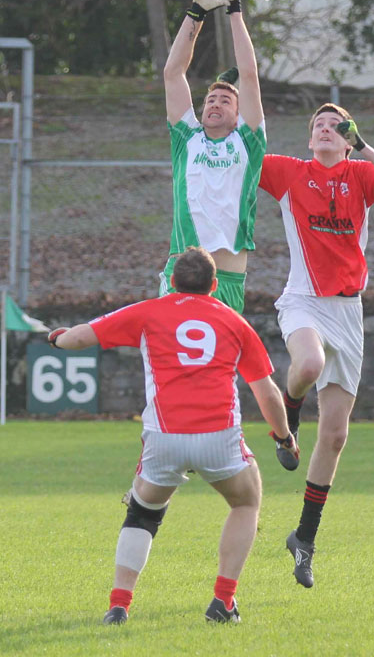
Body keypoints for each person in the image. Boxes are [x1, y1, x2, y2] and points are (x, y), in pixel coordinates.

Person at [48, 246, 298, 624]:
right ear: (214, 285)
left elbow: (81, 338)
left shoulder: (149, 311)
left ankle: (119, 605)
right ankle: (223, 602)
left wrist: (59, 339)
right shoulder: (233, 322)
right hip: (219, 436)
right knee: (246, 503)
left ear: (171, 283)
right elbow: (267, 392)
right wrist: (284, 438)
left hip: (164, 437)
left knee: (143, 512)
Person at [259, 103, 374, 588]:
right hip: (304, 300)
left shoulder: (361, 174)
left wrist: (363, 144)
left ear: (346, 140)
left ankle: (304, 538)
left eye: (335, 127)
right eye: (317, 126)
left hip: (349, 312)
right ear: (308, 140)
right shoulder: (288, 172)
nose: (325, 130)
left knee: (337, 438)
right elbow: (241, 153)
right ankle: (287, 420)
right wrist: (230, 100)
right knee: (307, 363)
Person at [160, 0, 266, 314]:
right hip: (180, 274)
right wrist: (196, 14)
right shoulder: (186, 138)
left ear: (239, 116)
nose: (215, 103)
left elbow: (248, 75)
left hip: (228, 278)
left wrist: (234, 11)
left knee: (223, 368)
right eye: (211, 99)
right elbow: (173, 73)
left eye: (225, 100)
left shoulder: (248, 142)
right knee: (169, 363)